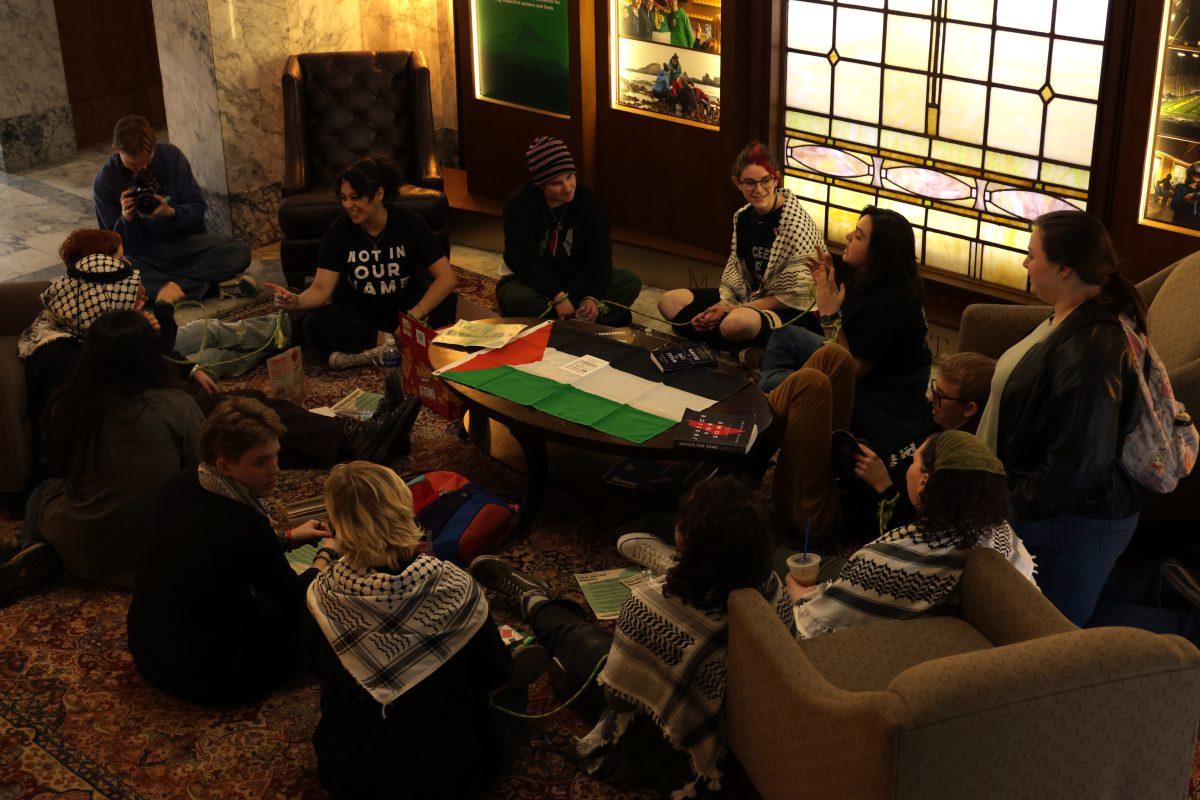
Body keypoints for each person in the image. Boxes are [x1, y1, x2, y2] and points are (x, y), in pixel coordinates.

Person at [471, 476, 795, 796]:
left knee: (580, 641)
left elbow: (617, 697)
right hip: (751, 755)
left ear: (686, 541)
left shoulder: (650, 602)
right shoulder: (772, 588)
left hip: (673, 756)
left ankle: (535, 602)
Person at [15, 232, 418, 476]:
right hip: (139, 431)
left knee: (248, 409)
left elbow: (134, 369)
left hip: (150, 407)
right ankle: (355, 439)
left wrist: (184, 371)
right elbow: (106, 408)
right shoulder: (62, 356)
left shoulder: (74, 328)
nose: (134, 301)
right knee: (243, 414)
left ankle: (353, 440)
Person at [306, 461, 546, 799]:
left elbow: (320, 672)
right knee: (510, 692)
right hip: (453, 774)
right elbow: (491, 676)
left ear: (338, 526)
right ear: (406, 511)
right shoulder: (453, 584)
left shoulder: (321, 594)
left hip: (352, 774)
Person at [976, 210, 1144, 626]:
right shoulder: (1068, 315)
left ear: (1064, 267)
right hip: (1051, 509)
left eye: (1033, 255)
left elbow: (1078, 465)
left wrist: (1011, 506)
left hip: (1071, 521)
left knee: (1051, 632)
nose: (1025, 263)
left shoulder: (1091, 350)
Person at [127, 397, 328, 704]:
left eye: (276, 456)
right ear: (224, 465)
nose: (276, 470)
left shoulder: (182, 483)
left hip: (150, 650)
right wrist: (325, 556)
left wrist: (286, 537)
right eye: (260, 462)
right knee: (323, 616)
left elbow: (220, 551)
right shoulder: (246, 525)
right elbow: (296, 600)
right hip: (209, 677)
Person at [22, 310, 205, 590]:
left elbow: (62, 469)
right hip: (165, 556)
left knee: (42, 491)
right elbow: (206, 469)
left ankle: (32, 553)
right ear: (150, 353)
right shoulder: (178, 404)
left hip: (83, 553)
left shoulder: (66, 406)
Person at [787, 431, 1036, 637]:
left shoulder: (892, 562)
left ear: (924, 481)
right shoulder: (1002, 532)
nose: (909, 467)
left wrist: (799, 595)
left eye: (914, 461)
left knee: (784, 563)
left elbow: (815, 623)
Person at [265, 156, 459, 369]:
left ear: (379, 194)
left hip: (405, 309)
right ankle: (389, 345)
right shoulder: (338, 231)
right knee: (314, 324)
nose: (348, 205)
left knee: (447, 303)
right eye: (343, 198)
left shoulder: (409, 223)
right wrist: (297, 301)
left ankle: (368, 353)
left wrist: (412, 318)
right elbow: (321, 288)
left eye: (355, 197)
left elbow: (447, 278)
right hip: (361, 316)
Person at [657, 142, 822, 352]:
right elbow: (738, 269)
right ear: (738, 183)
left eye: (766, 181)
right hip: (747, 299)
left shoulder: (795, 225)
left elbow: (793, 297)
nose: (759, 189)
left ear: (776, 178)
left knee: (734, 323)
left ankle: (731, 342)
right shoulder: (743, 217)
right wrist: (724, 305)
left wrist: (732, 310)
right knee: (669, 302)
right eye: (750, 183)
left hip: (790, 311)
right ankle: (741, 347)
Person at [92, 115, 251, 299]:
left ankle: (167, 288)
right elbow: (117, 250)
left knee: (239, 252)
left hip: (185, 246)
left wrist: (172, 213)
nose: (142, 170)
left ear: (154, 147)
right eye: (134, 166)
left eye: (147, 162)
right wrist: (127, 219)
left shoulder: (170, 156)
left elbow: (198, 211)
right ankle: (209, 288)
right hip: (145, 256)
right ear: (116, 150)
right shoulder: (105, 182)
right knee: (120, 273)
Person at [497, 137, 641, 327]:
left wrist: (592, 297)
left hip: (576, 279)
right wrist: (558, 297)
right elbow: (524, 261)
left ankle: (564, 323)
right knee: (521, 302)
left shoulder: (588, 202)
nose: (567, 188)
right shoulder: (519, 205)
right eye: (557, 183)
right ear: (541, 185)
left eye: (570, 177)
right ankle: (593, 322)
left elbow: (601, 255)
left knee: (629, 281)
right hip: (530, 282)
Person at [850, 351, 996, 534]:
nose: (931, 398)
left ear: (969, 409)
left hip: (870, 519)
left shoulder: (956, 462)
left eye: (940, 396)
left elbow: (919, 531)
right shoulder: (933, 417)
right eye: (934, 388)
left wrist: (884, 486)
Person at [1170, 163, 1200, 228]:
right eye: (1195, 176)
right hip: (1180, 223)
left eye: (1199, 176)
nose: (1197, 179)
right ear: (1190, 175)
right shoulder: (1180, 187)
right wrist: (1184, 200)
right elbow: (1173, 206)